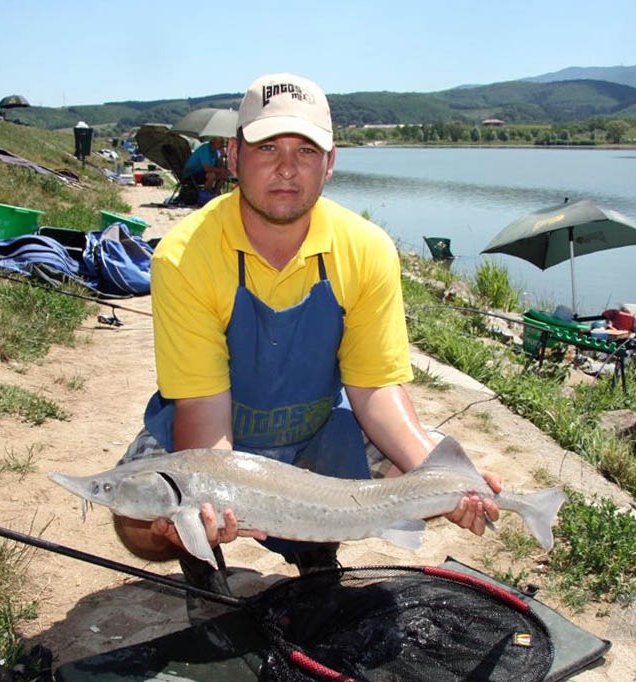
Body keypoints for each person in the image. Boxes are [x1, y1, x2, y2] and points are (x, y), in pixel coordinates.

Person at [113, 72, 502, 596]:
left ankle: (316, 545)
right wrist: (205, 503)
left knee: (423, 485)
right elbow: (203, 412)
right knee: (136, 520)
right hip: (218, 431)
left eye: (306, 151)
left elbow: (377, 391)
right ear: (233, 155)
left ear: (330, 162)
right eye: (267, 147)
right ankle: (199, 550)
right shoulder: (185, 255)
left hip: (319, 423)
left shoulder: (366, 248)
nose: (286, 169)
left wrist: (441, 477)